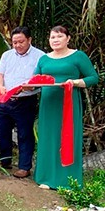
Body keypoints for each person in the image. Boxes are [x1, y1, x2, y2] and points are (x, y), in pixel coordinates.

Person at [34, 26, 98, 189]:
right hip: (48, 105)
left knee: (67, 136)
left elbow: (93, 78)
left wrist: (75, 82)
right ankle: (47, 178)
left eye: (59, 36)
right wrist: (27, 86)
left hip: (68, 103)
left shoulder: (78, 56)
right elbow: (35, 79)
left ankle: (67, 180)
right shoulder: (44, 59)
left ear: (68, 38)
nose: (55, 40)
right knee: (48, 138)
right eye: (52, 37)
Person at [0, 26, 44, 178]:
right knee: (2, 131)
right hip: (6, 99)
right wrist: (1, 87)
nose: (17, 45)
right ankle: (5, 160)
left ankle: (24, 167)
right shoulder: (7, 55)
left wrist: (30, 86)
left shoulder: (40, 56)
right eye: (14, 42)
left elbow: (43, 79)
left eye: (21, 42)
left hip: (26, 100)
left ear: (29, 40)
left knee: (24, 134)